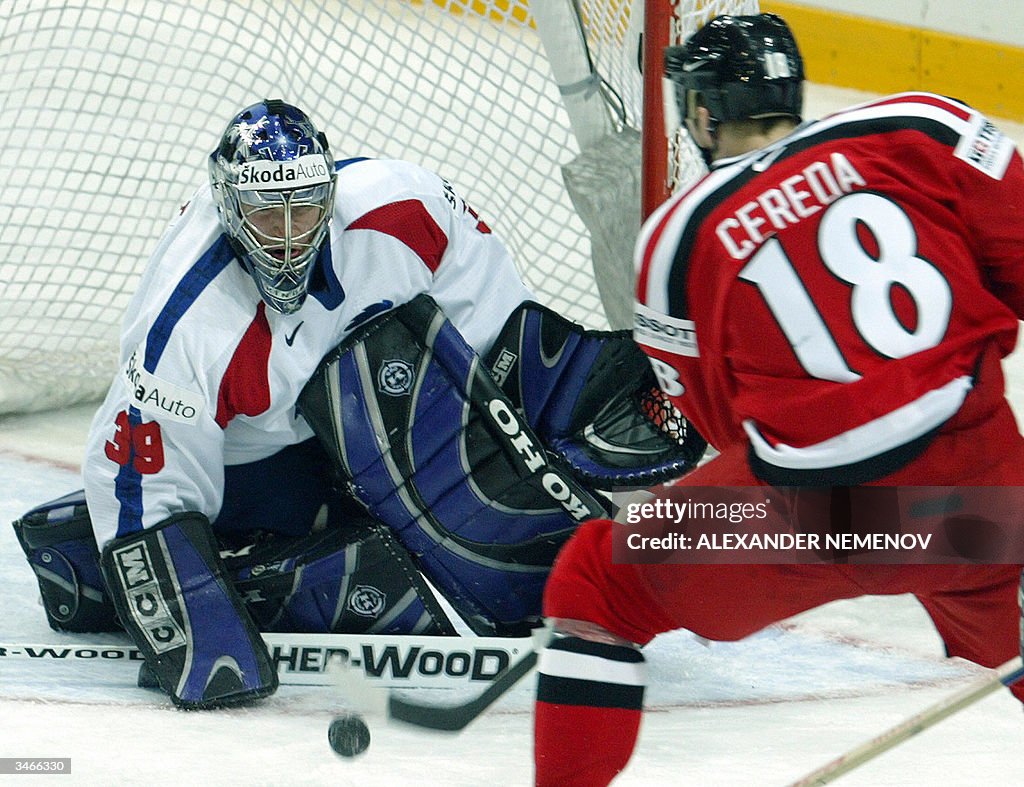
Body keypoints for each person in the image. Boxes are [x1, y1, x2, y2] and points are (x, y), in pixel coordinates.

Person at [12, 99, 699, 709]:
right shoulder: (189, 323)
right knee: (344, 571)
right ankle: (88, 553)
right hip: (252, 457)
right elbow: (136, 475)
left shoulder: (406, 209)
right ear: (229, 208)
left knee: (426, 410)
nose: (288, 235)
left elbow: (487, 335)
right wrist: (185, 615)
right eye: (266, 212)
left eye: (305, 208)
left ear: (330, 194)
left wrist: (525, 438)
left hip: (346, 414)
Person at [532, 13, 1024, 786]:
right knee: (997, 634)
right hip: (986, 499)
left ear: (701, 113)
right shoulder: (922, 125)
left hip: (824, 517)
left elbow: (727, 429)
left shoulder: (678, 236)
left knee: (598, 581)